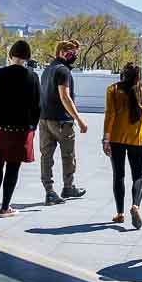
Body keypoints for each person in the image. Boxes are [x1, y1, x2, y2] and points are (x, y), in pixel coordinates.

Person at [0, 39, 41, 218]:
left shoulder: (0, 73)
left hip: (0, 128)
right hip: (21, 131)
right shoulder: (33, 76)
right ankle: (6, 207)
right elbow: (37, 106)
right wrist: (33, 128)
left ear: (11, 55)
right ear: (28, 57)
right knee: (13, 168)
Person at [101, 62, 142, 228]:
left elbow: (110, 115)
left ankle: (120, 213)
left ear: (123, 74)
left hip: (116, 139)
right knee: (139, 175)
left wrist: (106, 139)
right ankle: (135, 205)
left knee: (119, 175)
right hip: (138, 139)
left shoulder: (113, 90)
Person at [36, 39, 89, 204]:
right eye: (72, 53)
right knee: (68, 155)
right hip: (61, 120)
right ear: (62, 53)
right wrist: (79, 119)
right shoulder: (63, 71)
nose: (74, 56)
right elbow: (65, 97)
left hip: (44, 119)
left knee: (46, 156)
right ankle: (68, 187)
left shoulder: (47, 70)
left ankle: (49, 191)